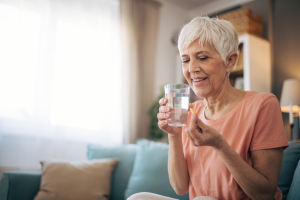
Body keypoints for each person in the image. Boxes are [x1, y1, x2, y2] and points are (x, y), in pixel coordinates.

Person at [128, 16, 289, 200]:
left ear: (230, 61)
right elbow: (180, 188)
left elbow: (265, 194)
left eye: (202, 58)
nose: (192, 68)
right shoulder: (189, 113)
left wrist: (219, 144)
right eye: (185, 60)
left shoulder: (263, 104)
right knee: (137, 198)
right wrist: (174, 134)